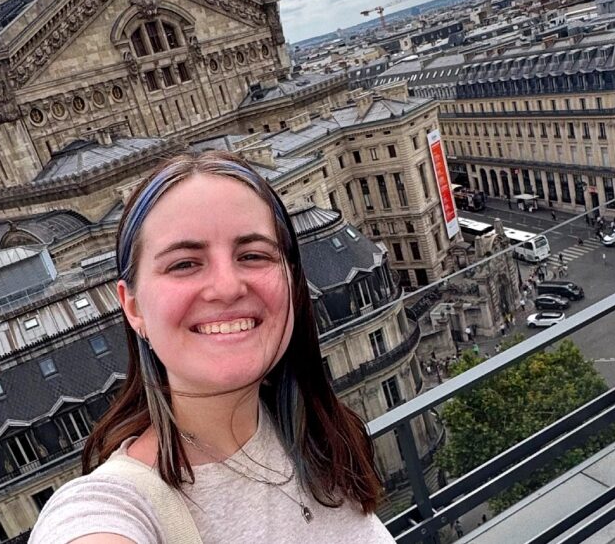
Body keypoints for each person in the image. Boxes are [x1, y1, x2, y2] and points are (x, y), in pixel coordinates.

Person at [30, 152, 393, 543]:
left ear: (292, 280)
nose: (227, 287)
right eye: (184, 264)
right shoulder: (109, 508)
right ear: (133, 307)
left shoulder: (314, 434)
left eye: (253, 256)